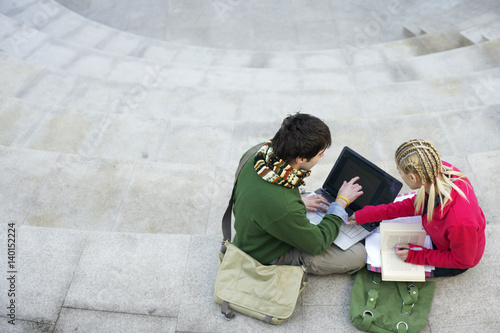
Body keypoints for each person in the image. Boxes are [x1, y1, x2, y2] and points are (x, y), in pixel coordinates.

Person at [232, 113, 366, 275]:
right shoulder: (285, 206)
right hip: (263, 252)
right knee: (357, 255)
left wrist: (299, 201)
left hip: (256, 227)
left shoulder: (258, 153)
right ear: (300, 159)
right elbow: (318, 243)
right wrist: (340, 203)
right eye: (320, 154)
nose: (322, 156)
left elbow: (268, 199)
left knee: (315, 200)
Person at [348, 139, 486, 277]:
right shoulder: (436, 170)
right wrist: (367, 214)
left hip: (454, 258)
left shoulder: (459, 223)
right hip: (443, 234)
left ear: (413, 178)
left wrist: (416, 255)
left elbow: (463, 261)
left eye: (399, 171)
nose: (400, 175)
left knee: (386, 264)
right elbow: (413, 205)